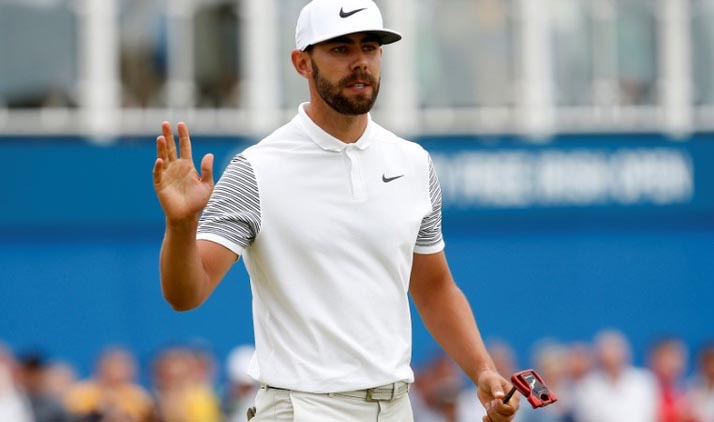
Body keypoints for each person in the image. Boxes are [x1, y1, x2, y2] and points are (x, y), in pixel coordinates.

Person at [151, 0, 520, 420]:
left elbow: (435, 288)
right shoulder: (255, 169)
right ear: (302, 63)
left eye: (370, 48)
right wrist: (181, 226)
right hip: (302, 407)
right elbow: (186, 294)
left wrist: (483, 371)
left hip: (396, 407)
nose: (360, 62)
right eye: (341, 49)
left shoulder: (414, 163)